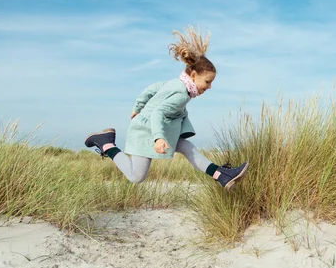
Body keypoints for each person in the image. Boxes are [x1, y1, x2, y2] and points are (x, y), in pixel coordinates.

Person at [84, 26, 249, 190]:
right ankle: (106, 144)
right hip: (147, 132)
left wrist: (137, 107)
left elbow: (151, 89)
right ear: (193, 76)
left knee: (186, 147)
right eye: (207, 82)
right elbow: (157, 113)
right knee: (136, 176)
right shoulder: (181, 94)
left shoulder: (175, 83)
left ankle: (221, 175)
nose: (210, 86)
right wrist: (159, 138)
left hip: (159, 129)